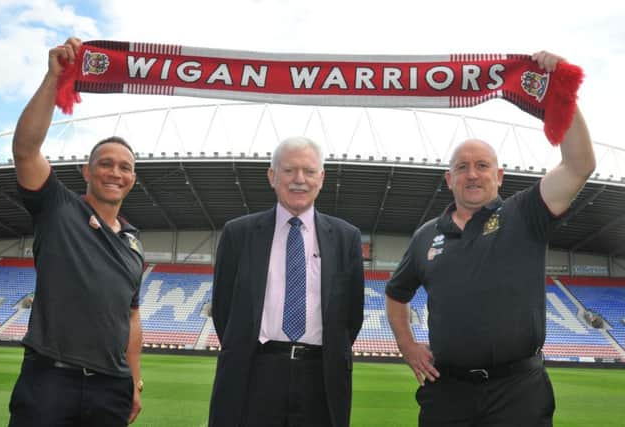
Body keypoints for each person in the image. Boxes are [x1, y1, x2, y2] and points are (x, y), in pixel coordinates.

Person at [385, 51, 595, 427]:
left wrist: (560, 89)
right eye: (461, 167)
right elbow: (396, 293)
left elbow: (579, 165)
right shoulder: (425, 236)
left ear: (499, 176)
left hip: (518, 391)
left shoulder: (525, 212)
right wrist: (407, 344)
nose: (472, 174)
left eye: (482, 166)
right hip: (447, 391)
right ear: (449, 180)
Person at [8, 37, 144, 426]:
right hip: (51, 380)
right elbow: (25, 151)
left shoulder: (134, 243)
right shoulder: (58, 208)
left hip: (111, 387)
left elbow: (132, 317)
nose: (115, 172)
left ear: (133, 178)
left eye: (124, 167)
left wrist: (134, 379)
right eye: (105, 163)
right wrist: (54, 78)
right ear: (87, 171)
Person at [209, 136, 365, 427]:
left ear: (322, 178)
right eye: (289, 170)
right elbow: (223, 310)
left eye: (308, 171)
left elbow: (352, 315)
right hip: (254, 372)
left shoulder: (346, 238)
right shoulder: (238, 234)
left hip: (321, 377)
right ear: (272, 176)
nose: (299, 180)